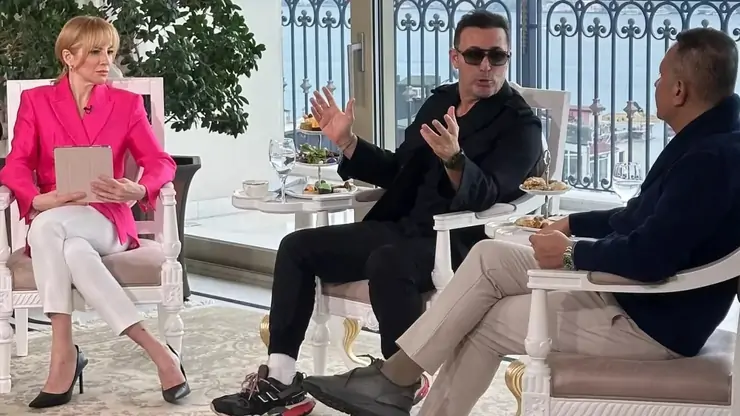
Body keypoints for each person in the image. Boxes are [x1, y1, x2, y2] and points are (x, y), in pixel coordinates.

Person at [301, 26, 740, 416]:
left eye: (661, 77)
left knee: (485, 321)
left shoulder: (709, 160)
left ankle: (395, 383)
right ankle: (396, 380)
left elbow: (651, 257)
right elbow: (640, 217)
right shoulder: (707, 141)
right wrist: (572, 225)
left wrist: (571, 255)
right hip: (632, 294)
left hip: (650, 322)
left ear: (679, 91)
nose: (655, 84)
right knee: (490, 255)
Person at [210, 10, 545, 416]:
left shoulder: (521, 125)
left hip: (458, 241)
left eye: (498, 56)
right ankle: (281, 381)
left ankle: (401, 383)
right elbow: (399, 169)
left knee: (389, 260)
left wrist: (455, 160)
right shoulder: (440, 101)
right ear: (455, 57)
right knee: (296, 247)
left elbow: (490, 195)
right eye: (475, 55)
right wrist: (348, 142)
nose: (487, 66)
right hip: (401, 226)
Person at [0, 16, 189, 408]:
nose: (107, 61)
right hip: (58, 217)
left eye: (110, 51)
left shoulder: (126, 105)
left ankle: (62, 354)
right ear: (69, 57)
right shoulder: (37, 102)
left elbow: (160, 162)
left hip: (108, 221)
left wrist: (139, 188)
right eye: (96, 52)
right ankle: (158, 352)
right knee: (70, 248)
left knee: (45, 228)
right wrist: (37, 199)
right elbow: (15, 165)